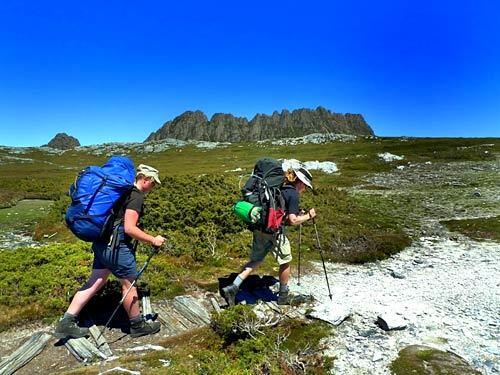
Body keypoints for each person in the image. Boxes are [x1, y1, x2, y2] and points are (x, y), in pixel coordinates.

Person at [54, 164, 166, 339]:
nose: (154, 187)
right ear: (146, 180)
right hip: (116, 247)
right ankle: (137, 325)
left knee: (96, 280)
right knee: (129, 284)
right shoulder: (135, 197)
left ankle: (67, 321)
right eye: (154, 183)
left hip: (101, 243)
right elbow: (129, 228)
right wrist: (153, 239)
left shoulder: (121, 191)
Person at [222, 165, 316, 306]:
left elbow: (278, 211)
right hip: (274, 232)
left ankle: (233, 287)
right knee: (285, 261)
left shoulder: (279, 187)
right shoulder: (293, 194)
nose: (305, 189)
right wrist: (308, 216)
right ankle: (283, 296)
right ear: (301, 182)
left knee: (256, 260)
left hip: (260, 228)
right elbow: (293, 220)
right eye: (306, 186)